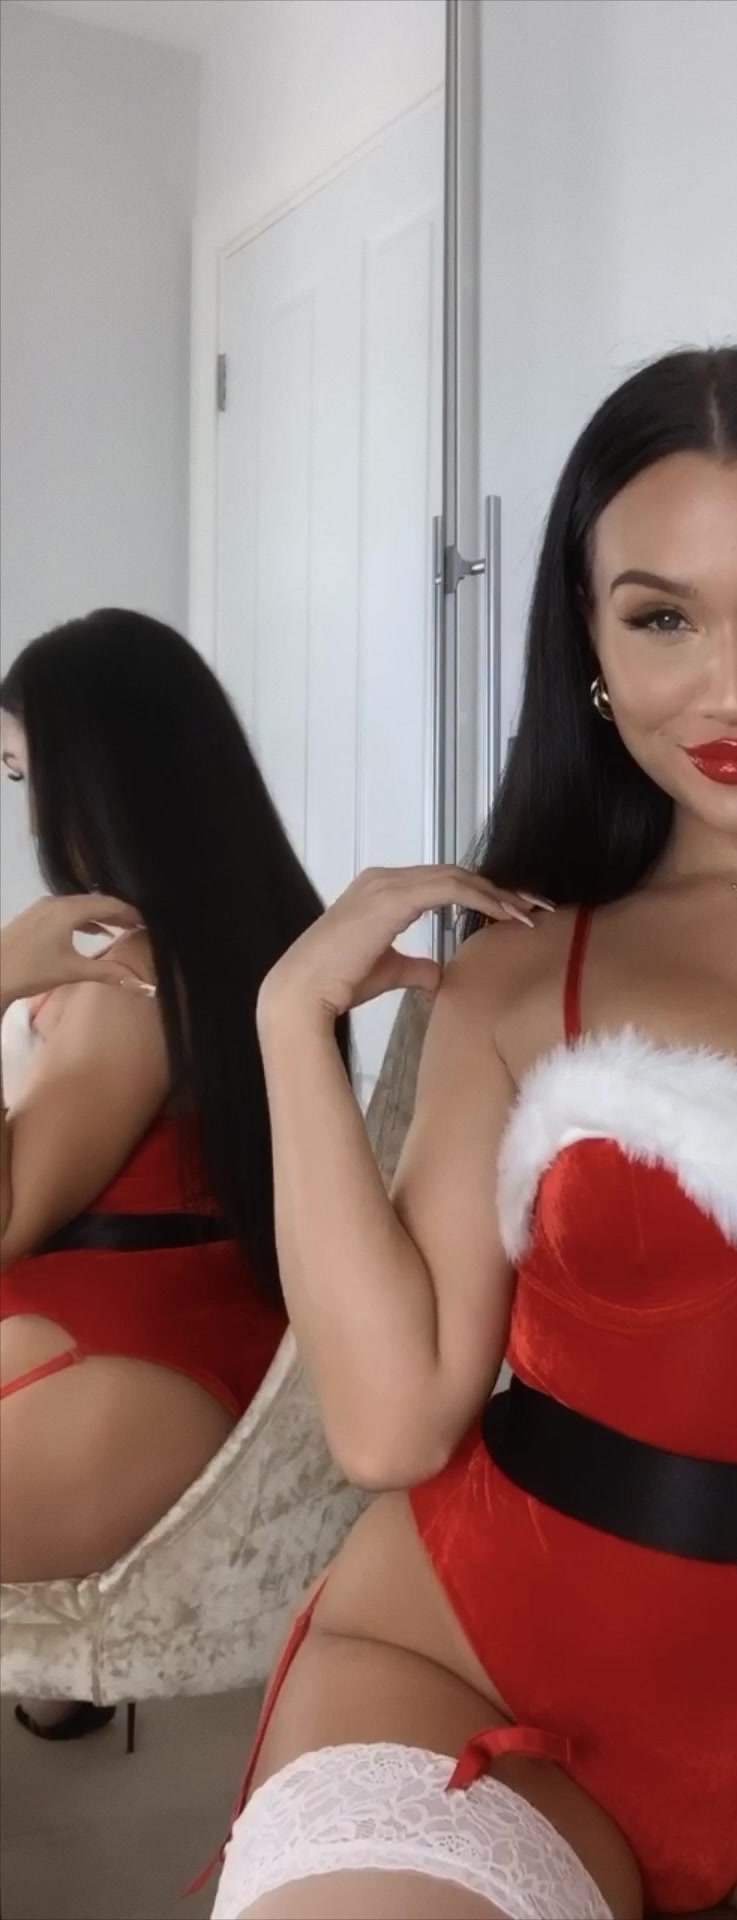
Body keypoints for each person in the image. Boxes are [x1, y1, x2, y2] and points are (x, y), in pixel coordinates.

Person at [211, 349, 737, 1920]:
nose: (730, 691)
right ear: (592, 643)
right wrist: (290, 1024)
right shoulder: (522, 968)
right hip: (472, 1670)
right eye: (663, 618)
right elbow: (391, 1429)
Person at [0, 610, 350, 1739]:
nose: (28, 815)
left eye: (27, 774)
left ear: (95, 777)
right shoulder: (247, 930)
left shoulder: (135, 975)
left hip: (121, 1361)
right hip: (169, 1339)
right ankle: (57, 1684)